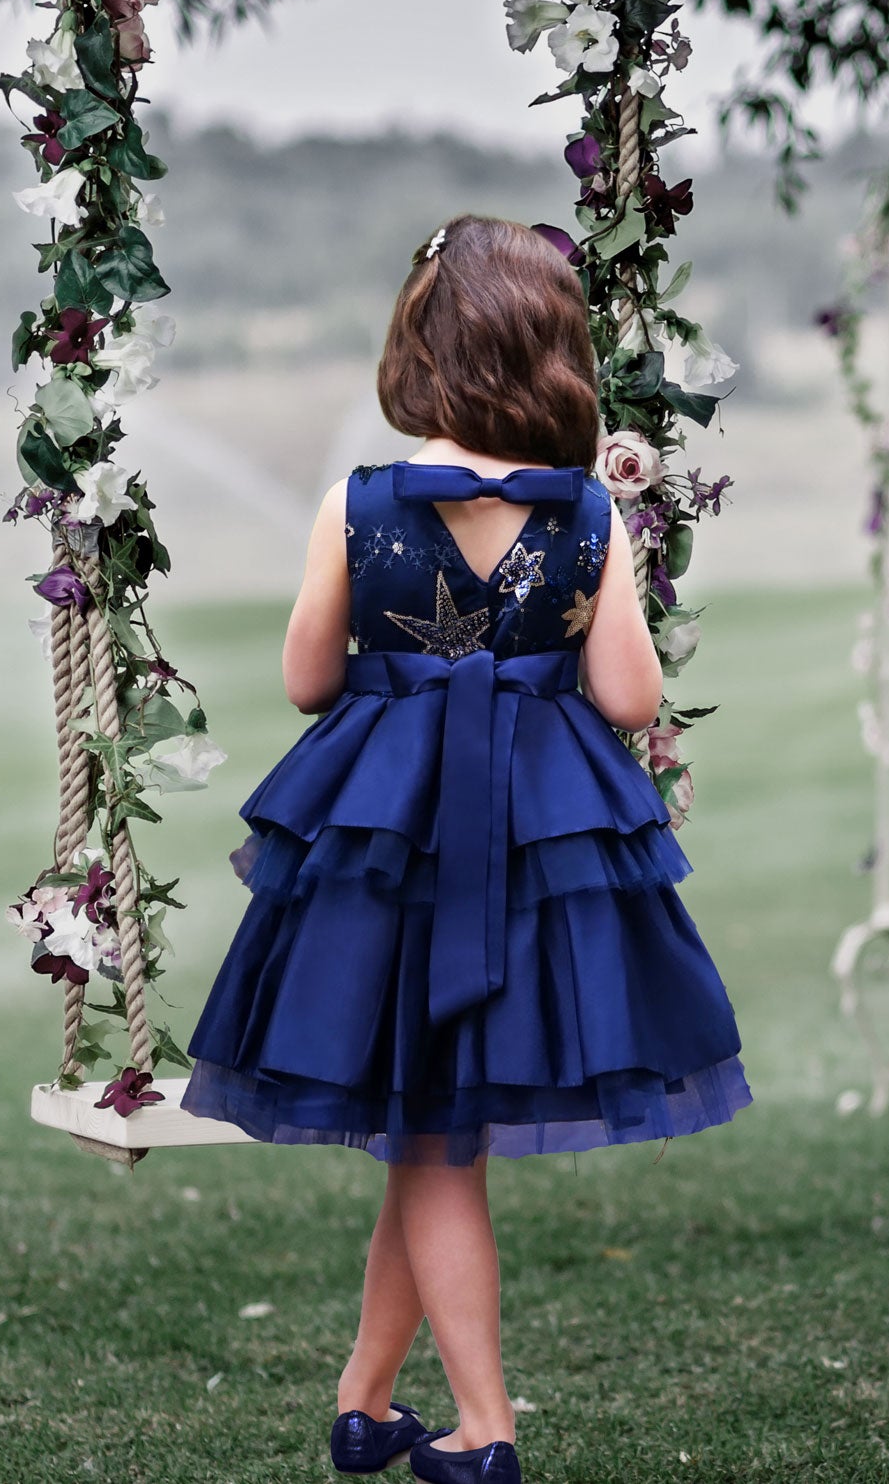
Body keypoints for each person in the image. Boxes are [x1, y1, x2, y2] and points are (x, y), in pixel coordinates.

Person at [181, 213, 752, 1484]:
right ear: (552, 353)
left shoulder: (361, 504)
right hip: (531, 849)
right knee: (431, 1132)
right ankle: (372, 1400)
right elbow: (628, 700)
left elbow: (304, 678)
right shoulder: (587, 513)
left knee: (432, 1136)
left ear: (424, 345)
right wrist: (615, 556)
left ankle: (480, 1428)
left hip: (390, 853)